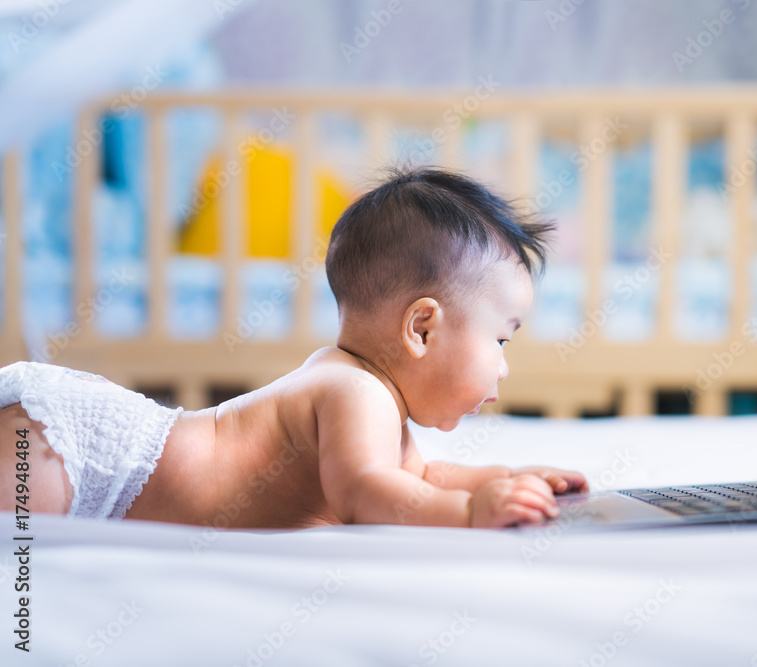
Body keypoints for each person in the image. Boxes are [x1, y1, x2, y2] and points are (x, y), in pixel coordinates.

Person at [0, 167, 588, 529]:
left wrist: (505, 479)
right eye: (501, 338)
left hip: (94, 460)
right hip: (81, 452)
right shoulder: (353, 390)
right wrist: (468, 515)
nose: (504, 366)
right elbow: (365, 492)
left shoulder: (360, 389)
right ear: (423, 329)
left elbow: (423, 475)